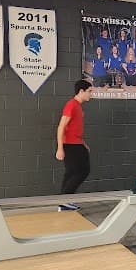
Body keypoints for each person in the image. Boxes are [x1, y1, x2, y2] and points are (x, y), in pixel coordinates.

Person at [55, 80, 93, 208]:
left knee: (71, 172)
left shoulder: (78, 106)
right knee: (82, 171)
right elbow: (61, 127)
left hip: (77, 143)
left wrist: (83, 143)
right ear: (81, 91)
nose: (91, 94)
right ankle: (64, 200)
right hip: (71, 145)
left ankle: (64, 200)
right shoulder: (71, 105)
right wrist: (60, 148)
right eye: (89, 91)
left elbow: (74, 129)